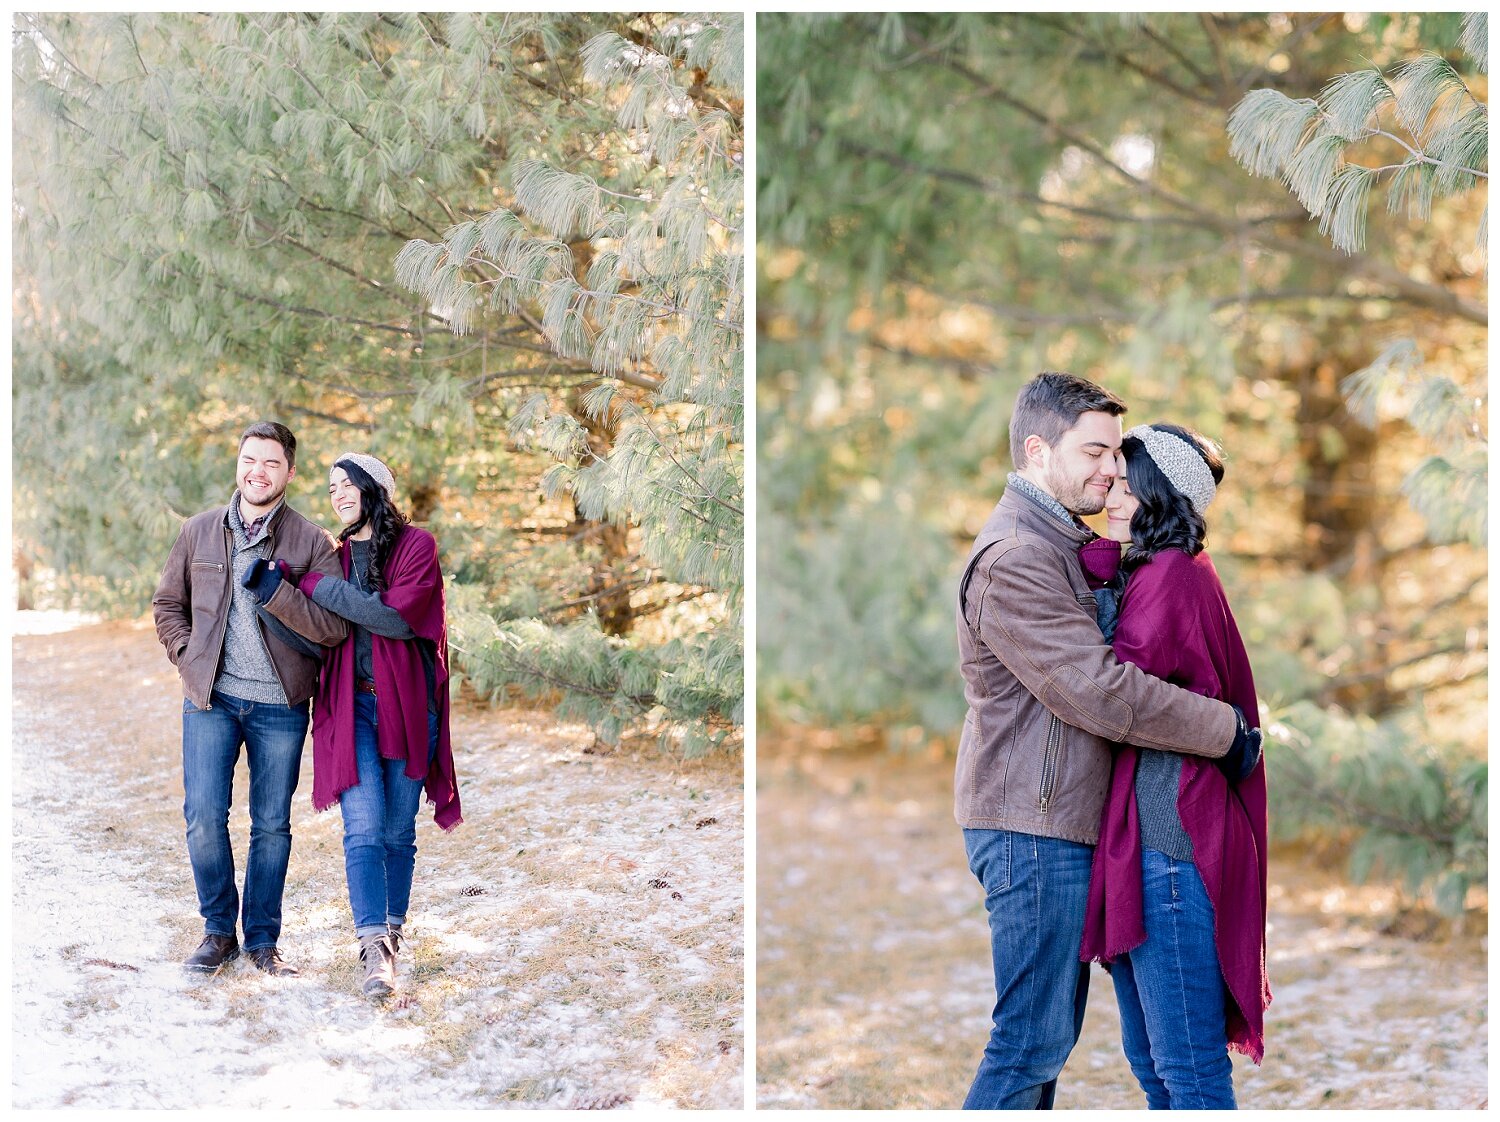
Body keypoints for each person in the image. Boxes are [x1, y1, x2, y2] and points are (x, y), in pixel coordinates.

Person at [954, 372, 1261, 1110]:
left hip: (1066, 821)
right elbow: (1100, 691)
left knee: (1049, 1041)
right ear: (1037, 449)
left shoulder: (1069, 542)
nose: (1108, 472)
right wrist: (1223, 730)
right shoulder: (1018, 556)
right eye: (1095, 453)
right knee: (1031, 1041)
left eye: (1119, 462)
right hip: (1033, 823)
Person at [1078, 424, 1269, 1109]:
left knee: (1186, 1071)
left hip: (1171, 845)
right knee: (1154, 1062)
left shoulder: (1168, 578)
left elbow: (1117, 690)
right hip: (1154, 841)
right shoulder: (1161, 570)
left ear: (1162, 496)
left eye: (1131, 488)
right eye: (1115, 484)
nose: (1114, 498)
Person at [250, 451, 462, 999]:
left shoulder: (418, 548)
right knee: (362, 828)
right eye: (330, 488)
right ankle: (373, 948)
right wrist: (279, 593)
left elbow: (395, 617)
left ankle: (391, 933)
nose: (338, 495)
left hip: (411, 706)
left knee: (397, 832)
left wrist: (319, 589)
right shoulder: (334, 556)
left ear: (373, 488)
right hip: (351, 708)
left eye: (346, 484)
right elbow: (321, 633)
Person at [153, 421, 349, 976]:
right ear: (237, 464)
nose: (256, 472)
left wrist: (276, 592)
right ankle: (218, 934)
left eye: (270, 462)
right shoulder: (200, 531)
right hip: (209, 699)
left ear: (289, 472)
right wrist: (187, 654)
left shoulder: (312, 542)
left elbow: (332, 628)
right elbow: (168, 603)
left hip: (280, 707)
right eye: (248, 460)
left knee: (271, 823)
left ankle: (262, 940)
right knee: (203, 817)